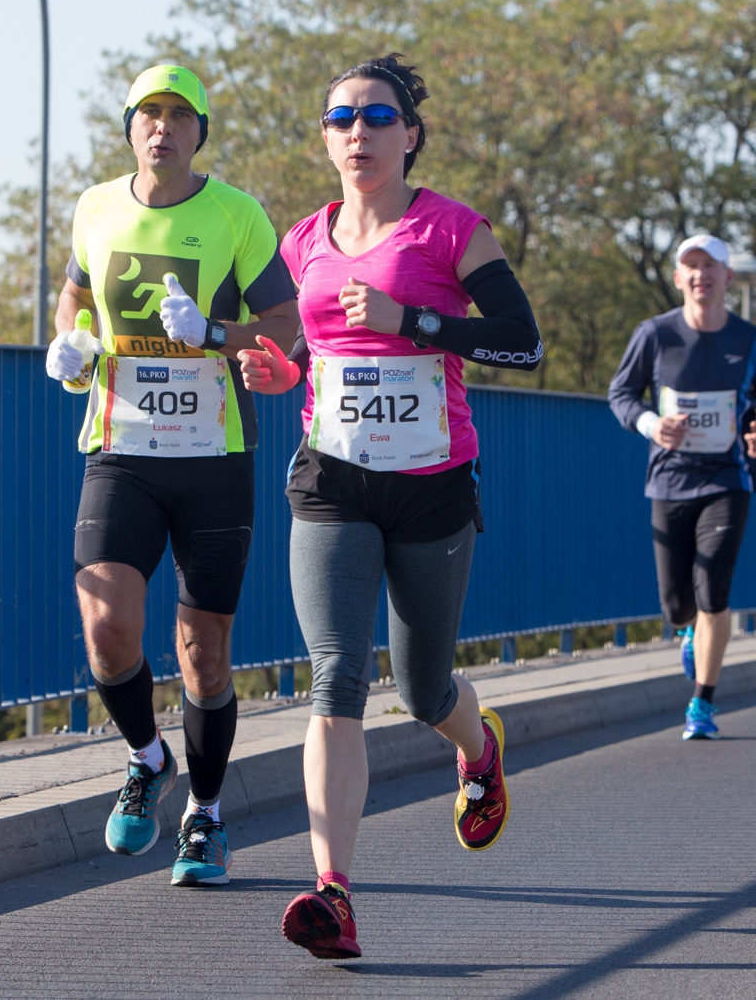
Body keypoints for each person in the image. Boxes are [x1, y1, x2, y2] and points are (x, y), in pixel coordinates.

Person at [241, 54, 542, 960]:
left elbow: (523, 342)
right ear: (326, 138)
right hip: (331, 480)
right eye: (341, 118)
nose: (358, 132)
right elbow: (306, 351)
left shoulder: (450, 229)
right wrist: (278, 371)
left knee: (421, 689)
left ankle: (478, 749)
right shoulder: (303, 240)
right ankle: (333, 891)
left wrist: (413, 322)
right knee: (336, 675)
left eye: (378, 116)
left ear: (411, 134)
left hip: (432, 487)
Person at [42, 65, 299, 886]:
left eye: (180, 115)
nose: (163, 127)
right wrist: (72, 344)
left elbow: (287, 324)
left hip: (213, 455)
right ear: (129, 127)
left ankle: (207, 815)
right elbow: (73, 296)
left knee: (203, 653)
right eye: (149, 113)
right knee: (106, 626)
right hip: (121, 448)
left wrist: (215, 333)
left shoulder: (236, 214)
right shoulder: (95, 207)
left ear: (200, 132)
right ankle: (147, 755)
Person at [609, 234, 756, 741]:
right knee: (676, 604)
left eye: (710, 266)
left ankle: (702, 703)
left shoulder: (751, 340)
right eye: (690, 266)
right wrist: (651, 425)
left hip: (728, 477)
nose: (700, 275)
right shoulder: (655, 334)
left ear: (727, 277)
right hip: (669, 479)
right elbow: (621, 393)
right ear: (678, 278)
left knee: (713, 587)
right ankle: (689, 630)